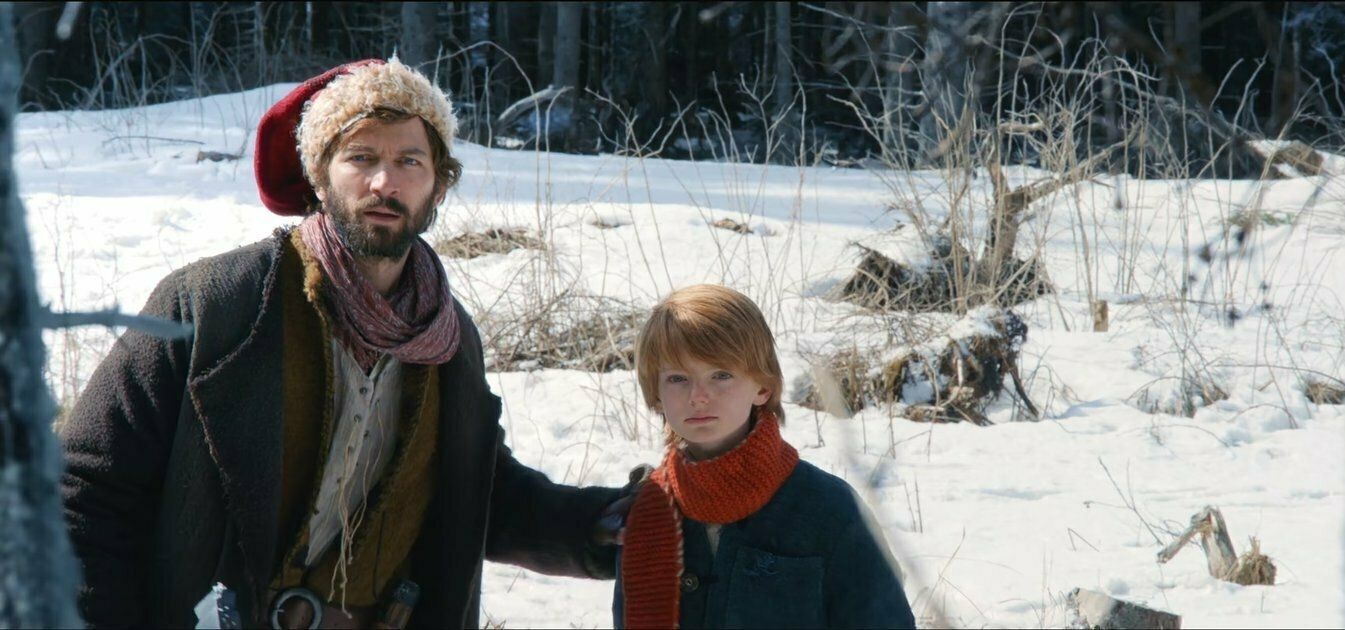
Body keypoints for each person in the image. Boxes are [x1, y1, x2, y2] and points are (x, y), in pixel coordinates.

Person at [59, 58, 626, 629]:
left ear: (439, 185)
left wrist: (598, 525)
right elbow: (83, 491)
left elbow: (478, 490)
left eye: (409, 161)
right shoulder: (216, 306)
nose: (385, 183)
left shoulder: (448, 336)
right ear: (319, 175)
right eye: (361, 158)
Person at [613, 285, 916, 629]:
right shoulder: (647, 511)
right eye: (678, 378)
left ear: (763, 386)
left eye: (721, 375)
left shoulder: (829, 509)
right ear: (656, 394)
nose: (698, 396)